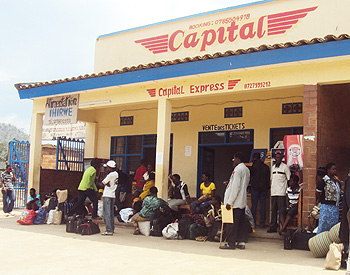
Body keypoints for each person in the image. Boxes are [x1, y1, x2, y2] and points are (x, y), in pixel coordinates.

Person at [220, 152, 250, 250]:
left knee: (231, 224)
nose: (233, 161)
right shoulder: (246, 169)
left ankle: (230, 243)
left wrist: (230, 202)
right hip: (241, 201)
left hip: (235, 202)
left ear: (238, 159)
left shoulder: (237, 170)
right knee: (241, 223)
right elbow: (242, 185)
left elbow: (236, 187)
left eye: (234, 159)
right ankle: (241, 242)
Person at [267, 152, 291, 233]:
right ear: (275, 158)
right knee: (273, 210)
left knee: (281, 211)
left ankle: (282, 227)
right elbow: (271, 179)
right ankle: (273, 227)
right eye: (277, 157)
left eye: (279, 158)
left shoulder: (285, 167)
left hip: (282, 193)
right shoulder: (273, 168)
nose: (278, 159)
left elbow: (289, 180)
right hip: (274, 192)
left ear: (282, 159)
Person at [316, 162, 342, 234]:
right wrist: (320, 199)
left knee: (333, 227)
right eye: (333, 169)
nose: (335, 171)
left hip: (335, 207)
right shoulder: (324, 181)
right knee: (323, 225)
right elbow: (318, 192)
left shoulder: (336, 181)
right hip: (327, 207)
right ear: (328, 170)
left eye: (335, 169)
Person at [250, 153, 270, 228]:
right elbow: (268, 179)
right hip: (264, 189)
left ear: (255, 158)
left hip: (255, 188)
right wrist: (268, 188)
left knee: (254, 207)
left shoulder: (254, 167)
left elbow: (250, 177)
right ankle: (262, 224)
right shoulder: (266, 167)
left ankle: (253, 223)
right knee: (263, 206)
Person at [101, 160, 118, 236]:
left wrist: (105, 176)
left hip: (107, 195)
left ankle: (109, 230)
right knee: (111, 213)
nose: (106, 169)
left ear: (110, 168)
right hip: (112, 195)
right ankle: (112, 228)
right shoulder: (116, 174)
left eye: (107, 167)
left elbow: (103, 183)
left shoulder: (110, 175)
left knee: (107, 213)